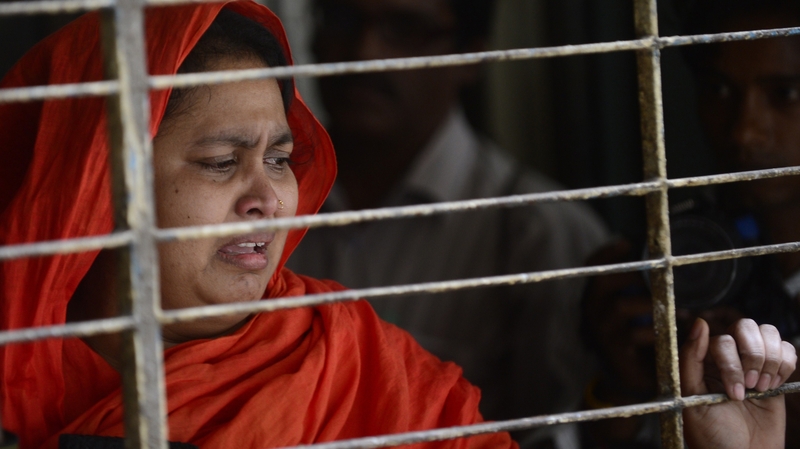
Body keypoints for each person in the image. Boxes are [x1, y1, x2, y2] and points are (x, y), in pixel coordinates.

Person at [0, 1, 793, 449]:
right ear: (94, 183)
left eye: (280, 158)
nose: (268, 198)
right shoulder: (18, 375)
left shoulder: (351, 361)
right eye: (219, 161)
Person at [287, 0, 609, 422]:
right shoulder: (259, 207)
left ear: (470, 55)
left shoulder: (537, 234)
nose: (364, 52)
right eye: (342, 18)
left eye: (405, 28)